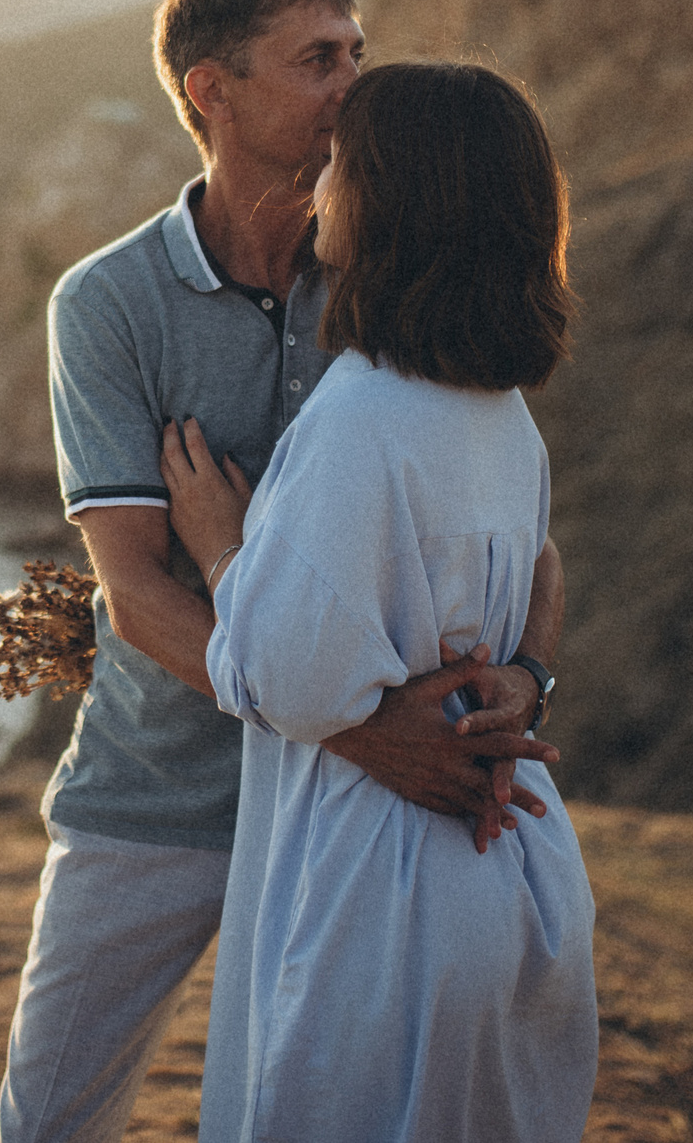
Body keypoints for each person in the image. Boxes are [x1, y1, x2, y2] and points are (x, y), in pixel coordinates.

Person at [0, 0, 566, 1143]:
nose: (353, 83)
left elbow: (517, 531)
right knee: (48, 1119)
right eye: (318, 59)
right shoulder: (107, 304)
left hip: (336, 810)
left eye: (357, 51)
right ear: (212, 88)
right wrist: (366, 727)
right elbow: (136, 590)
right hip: (160, 793)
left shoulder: (388, 274)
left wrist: (525, 675)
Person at [164, 60, 597, 1143]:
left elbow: (286, 674)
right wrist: (525, 677)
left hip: (383, 889)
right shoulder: (500, 416)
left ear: (399, 202)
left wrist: (221, 548)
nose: (317, 192)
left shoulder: (361, 416)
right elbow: (541, 562)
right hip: (510, 873)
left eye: (342, 169)